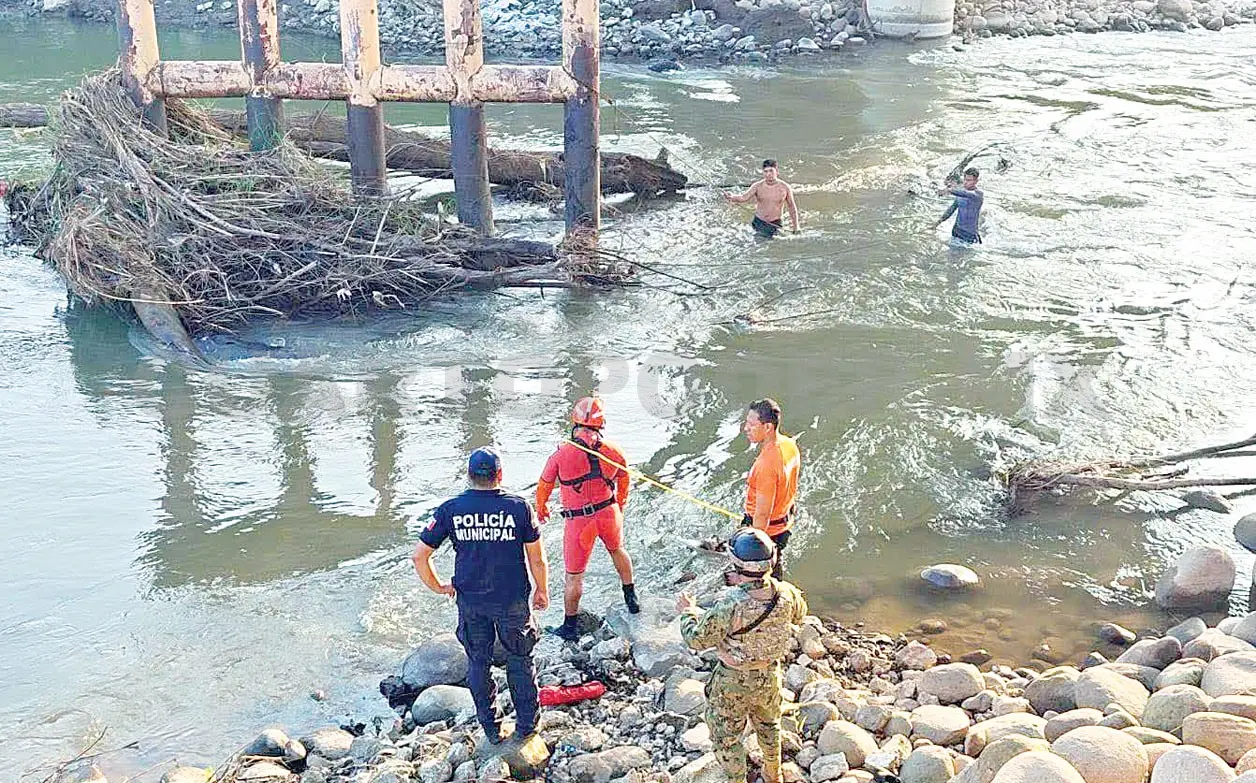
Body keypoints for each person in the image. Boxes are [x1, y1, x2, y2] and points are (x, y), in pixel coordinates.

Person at [412, 447, 550, 743]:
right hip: (511, 598)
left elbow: (420, 556)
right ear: (500, 475)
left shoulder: (450, 509)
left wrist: (439, 587)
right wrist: (542, 589)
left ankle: (492, 727)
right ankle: (527, 726)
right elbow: (536, 559)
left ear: (469, 475)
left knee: (479, 662)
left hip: (471, 600)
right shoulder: (518, 507)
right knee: (520, 659)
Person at [677, 529, 808, 783]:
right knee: (769, 725)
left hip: (732, 681)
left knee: (727, 737)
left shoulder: (730, 604)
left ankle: (737, 779)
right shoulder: (787, 593)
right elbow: (799, 614)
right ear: (772, 560)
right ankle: (774, 774)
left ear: (736, 564)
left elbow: (697, 638)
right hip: (769, 675)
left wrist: (688, 612)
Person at [536, 397, 639, 641]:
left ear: (575, 423)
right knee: (618, 550)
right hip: (608, 513)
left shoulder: (561, 455)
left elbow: (544, 485)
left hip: (580, 521)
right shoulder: (613, 451)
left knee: (574, 575)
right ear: (600, 424)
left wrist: (541, 508)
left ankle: (569, 626)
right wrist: (620, 504)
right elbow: (624, 480)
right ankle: (631, 597)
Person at [742, 398, 800, 580]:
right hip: (784, 523)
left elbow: (762, 516)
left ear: (767, 427)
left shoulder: (766, 466)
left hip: (768, 530)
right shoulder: (789, 445)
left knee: (760, 577)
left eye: (751, 424)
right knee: (775, 565)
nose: (745, 428)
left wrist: (751, 549)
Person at [724, 159, 800, 238]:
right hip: (759, 222)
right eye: (765, 171)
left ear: (777, 171)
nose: (768, 174)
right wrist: (732, 197)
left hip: (776, 223)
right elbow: (743, 197)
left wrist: (796, 227)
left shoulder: (785, 187)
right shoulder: (757, 186)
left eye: (771, 171)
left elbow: (792, 207)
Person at [934, 167, 984, 245]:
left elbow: (967, 194)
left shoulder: (978, 195)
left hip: (969, 234)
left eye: (969, 180)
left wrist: (949, 190)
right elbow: (951, 210)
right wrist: (937, 223)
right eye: (965, 179)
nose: (965, 182)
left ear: (976, 181)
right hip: (956, 230)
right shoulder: (960, 193)